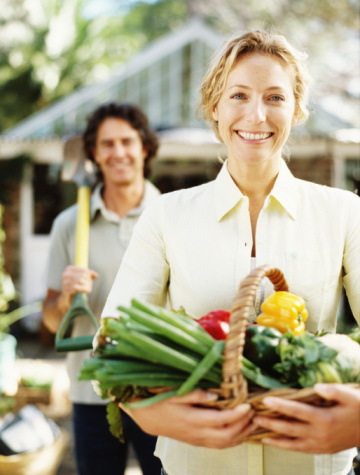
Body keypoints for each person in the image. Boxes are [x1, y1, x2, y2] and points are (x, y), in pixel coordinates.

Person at [99, 30, 360, 475]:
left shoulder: (344, 213)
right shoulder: (167, 215)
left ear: (296, 111)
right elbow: (111, 343)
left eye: (275, 98)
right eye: (238, 95)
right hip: (195, 464)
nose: (256, 115)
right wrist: (152, 414)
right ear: (214, 108)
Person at [42, 102, 163, 475]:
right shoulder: (68, 225)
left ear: (144, 147)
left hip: (158, 389)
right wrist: (64, 300)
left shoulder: (171, 217)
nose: (118, 153)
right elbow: (49, 322)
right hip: (91, 391)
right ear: (93, 154)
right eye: (107, 144)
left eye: (127, 141)